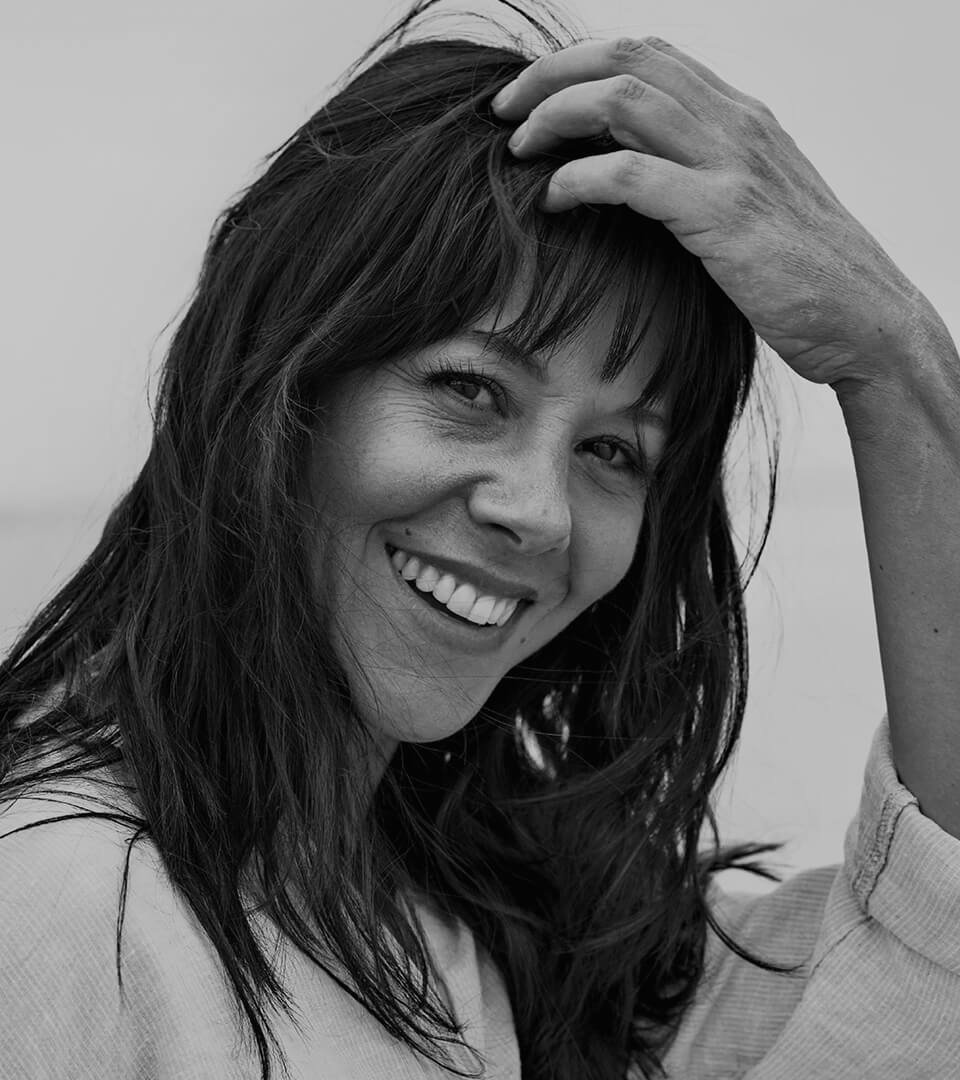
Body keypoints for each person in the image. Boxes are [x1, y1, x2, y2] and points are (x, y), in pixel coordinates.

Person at [1, 2, 958, 1078]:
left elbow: (929, 962)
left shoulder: (508, 944)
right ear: (280, 383)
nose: (540, 511)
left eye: (612, 451)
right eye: (471, 389)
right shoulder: (67, 914)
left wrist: (897, 360)